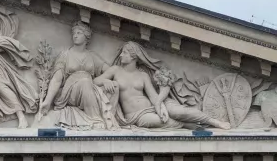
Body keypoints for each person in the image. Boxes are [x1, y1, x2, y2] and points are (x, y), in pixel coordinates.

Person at [95, 42, 229, 130]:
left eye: (124, 52)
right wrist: (106, 81)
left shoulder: (143, 75)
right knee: (165, 122)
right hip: (136, 116)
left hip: (152, 107)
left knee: (179, 112)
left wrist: (160, 107)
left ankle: (213, 122)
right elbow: (95, 81)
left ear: (133, 57)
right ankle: (192, 126)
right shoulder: (115, 70)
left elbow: (153, 97)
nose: (121, 55)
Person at [36, 22, 111, 129]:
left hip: (89, 89)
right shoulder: (65, 55)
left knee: (107, 86)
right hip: (69, 92)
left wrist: (105, 80)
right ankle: (95, 118)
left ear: (86, 37)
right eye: (74, 33)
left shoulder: (92, 56)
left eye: (79, 33)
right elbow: (57, 79)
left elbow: (110, 71)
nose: (75, 36)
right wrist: (48, 101)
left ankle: (106, 122)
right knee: (85, 82)